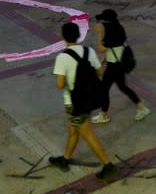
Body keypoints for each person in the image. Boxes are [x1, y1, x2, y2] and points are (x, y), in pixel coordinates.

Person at [49, 22, 116, 180]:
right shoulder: (88, 51)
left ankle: (108, 165)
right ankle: (64, 159)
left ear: (63, 37)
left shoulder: (63, 57)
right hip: (88, 98)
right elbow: (99, 72)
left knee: (86, 133)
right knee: (74, 130)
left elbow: (59, 85)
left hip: (74, 102)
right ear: (79, 36)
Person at [91, 9, 150, 123]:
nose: (100, 23)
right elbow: (114, 49)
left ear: (107, 21)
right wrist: (104, 61)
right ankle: (142, 107)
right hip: (117, 63)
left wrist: (98, 34)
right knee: (122, 87)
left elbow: (101, 48)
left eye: (102, 20)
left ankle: (104, 115)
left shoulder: (111, 31)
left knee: (104, 89)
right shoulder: (118, 27)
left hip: (114, 66)